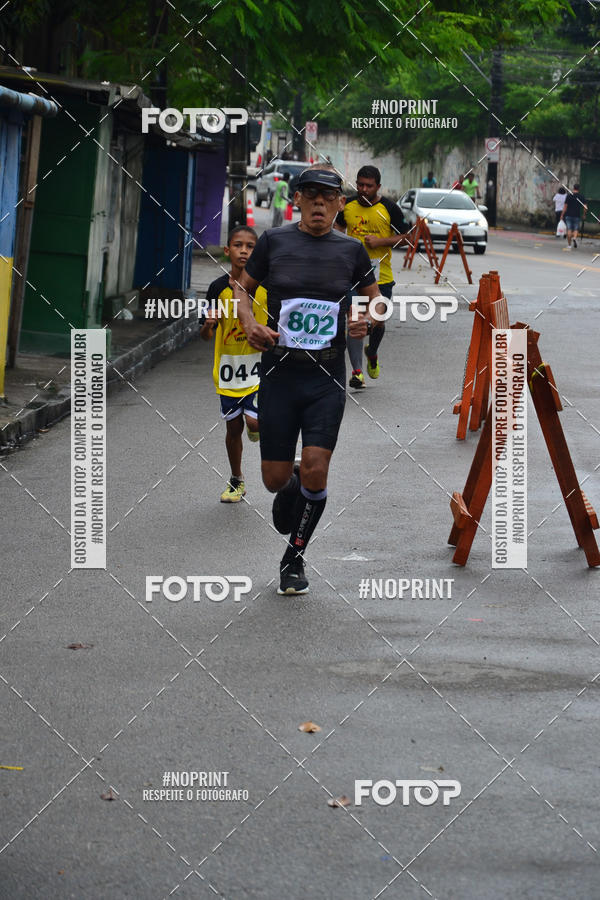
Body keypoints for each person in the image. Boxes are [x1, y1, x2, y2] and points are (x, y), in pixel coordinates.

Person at [234, 165, 385, 595]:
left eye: (328, 196)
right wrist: (249, 324)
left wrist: (368, 318)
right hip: (280, 374)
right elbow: (242, 288)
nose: (319, 202)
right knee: (273, 480)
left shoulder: (352, 251)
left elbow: (377, 301)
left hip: (326, 376)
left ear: (340, 204)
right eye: (311, 194)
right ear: (296, 199)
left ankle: (294, 559)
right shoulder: (273, 241)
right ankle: (292, 481)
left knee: (319, 470)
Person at [201, 226, 268, 502]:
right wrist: (209, 325)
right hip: (228, 372)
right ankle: (236, 479)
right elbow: (205, 336)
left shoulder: (266, 287)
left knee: (253, 422)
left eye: (250, 246)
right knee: (233, 429)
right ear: (227, 251)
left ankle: (256, 425)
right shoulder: (217, 289)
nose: (244, 251)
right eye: (238, 245)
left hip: (259, 368)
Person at [335, 165, 408, 387]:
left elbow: (407, 238)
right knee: (355, 319)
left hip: (380, 277)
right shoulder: (347, 205)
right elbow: (337, 229)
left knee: (377, 322)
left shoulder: (390, 208)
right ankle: (357, 372)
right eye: (360, 184)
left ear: (378, 187)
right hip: (352, 276)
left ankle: (372, 351)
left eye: (369, 186)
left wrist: (380, 242)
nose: (364, 189)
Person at [560, 183, 587, 250]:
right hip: (577, 215)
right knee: (575, 229)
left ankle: (569, 245)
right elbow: (585, 207)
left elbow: (565, 206)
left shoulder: (569, 196)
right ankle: (574, 238)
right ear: (579, 189)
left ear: (573, 188)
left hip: (568, 215)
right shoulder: (581, 196)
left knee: (569, 229)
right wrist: (584, 214)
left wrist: (562, 215)